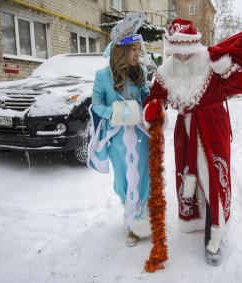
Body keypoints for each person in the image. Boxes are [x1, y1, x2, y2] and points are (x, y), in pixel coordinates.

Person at [144, 18, 242, 265]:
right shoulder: (165, 71)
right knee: (188, 173)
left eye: (187, 53)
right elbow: (157, 97)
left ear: (194, 47)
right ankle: (194, 217)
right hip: (185, 130)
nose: (182, 58)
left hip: (213, 127)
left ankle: (214, 234)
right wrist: (153, 108)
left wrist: (225, 67)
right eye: (177, 53)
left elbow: (239, 84)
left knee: (213, 177)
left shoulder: (211, 63)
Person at [87, 11, 151, 247]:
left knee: (143, 178)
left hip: (141, 136)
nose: (138, 54)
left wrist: (154, 104)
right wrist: (117, 113)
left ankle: (138, 224)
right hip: (117, 139)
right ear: (121, 51)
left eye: (138, 49)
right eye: (133, 50)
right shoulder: (102, 76)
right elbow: (96, 105)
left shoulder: (140, 72)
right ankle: (132, 217)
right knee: (124, 181)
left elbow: (145, 99)